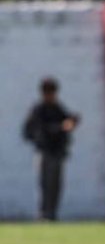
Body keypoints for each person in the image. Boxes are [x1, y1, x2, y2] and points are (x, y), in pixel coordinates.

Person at [21, 77, 79, 221]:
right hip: (45, 151)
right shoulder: (39, 110)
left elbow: (68, 122)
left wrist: (72, 122)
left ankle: (52, 214)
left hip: (57, 152)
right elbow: (35, 130)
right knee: (45, 185)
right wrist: (59, 128)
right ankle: (44, 214)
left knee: (56, 186)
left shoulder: (57, 109)